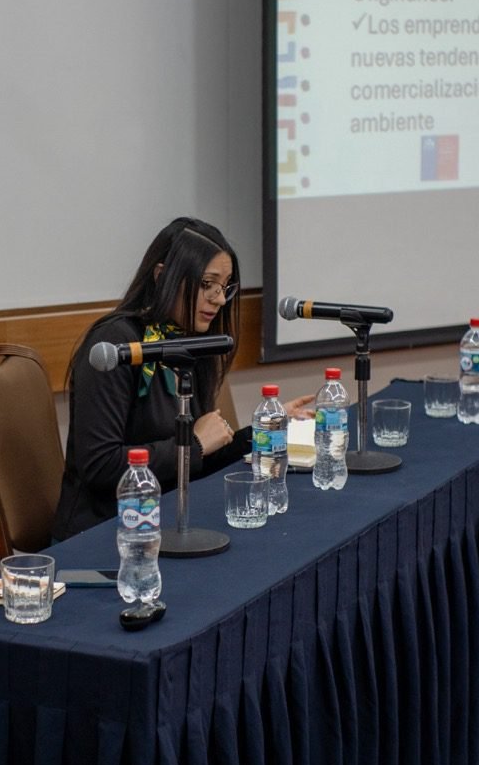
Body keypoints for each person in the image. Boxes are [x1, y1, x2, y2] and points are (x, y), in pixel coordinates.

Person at [53, 217, 313, 539]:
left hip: (169, 520)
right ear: (162, 276)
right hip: (108, 533)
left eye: (225, 287)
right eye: (207, 284)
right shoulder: (115, 345)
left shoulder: (190, 343)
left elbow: (199, 459)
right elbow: (100, 466)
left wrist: (264, 429)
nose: (219, 299)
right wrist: (193, 445)